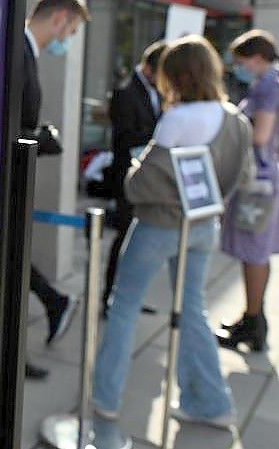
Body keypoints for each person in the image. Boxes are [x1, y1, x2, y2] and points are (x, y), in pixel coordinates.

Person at [93, 36, 251, 437]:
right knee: (194, 309)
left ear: (176, 76)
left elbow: (137, 186)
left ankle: (106, 401)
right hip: (204, 225)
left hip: (159, 225)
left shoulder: (177, 120)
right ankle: (213, 403)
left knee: (124, 305)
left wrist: (136, 167)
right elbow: (236, 180)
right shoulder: (236, 119)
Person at [21, 0, 90, 378]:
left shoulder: (27, 52)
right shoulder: (18, 51)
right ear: (61, 18)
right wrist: (37, 138)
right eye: (72, 31)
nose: (69, 39)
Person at [218, 30, 279, 352]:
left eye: (241, 62)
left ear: (257, 59)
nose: (238, 68)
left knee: (254, 251)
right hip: (264, 181)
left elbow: (261, 134)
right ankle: (252, 317)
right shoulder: (269, 83)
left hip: (258, 185)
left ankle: (254, 324)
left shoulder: (270, 86)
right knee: (256, 251)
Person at [104, 41, 166, 316]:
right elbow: (124, 138)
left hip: (148, 178)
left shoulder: (157, 92)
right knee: (123, 237)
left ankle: (131, 296)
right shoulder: (126, 92)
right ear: (150, 68)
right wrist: (159, 139)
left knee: (139, 241)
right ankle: (108, 297)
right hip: (128, 178)